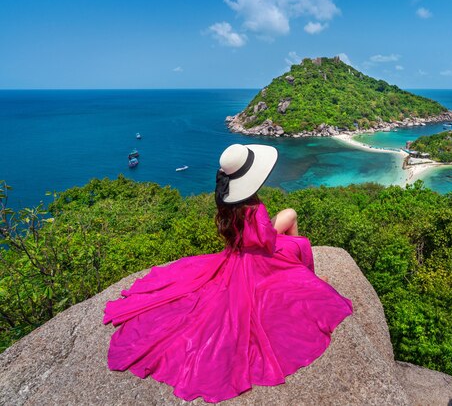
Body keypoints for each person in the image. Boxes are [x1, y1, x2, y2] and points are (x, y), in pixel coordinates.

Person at [103, 143, 353, 403]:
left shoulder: (226, 202)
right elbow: (267, 242)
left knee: (288, 222)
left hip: (235, 257)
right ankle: (307, 277)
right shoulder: (255, 208)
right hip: (259, 262)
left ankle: (305, 276)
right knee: (295, 228)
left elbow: (240, 236)